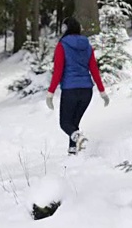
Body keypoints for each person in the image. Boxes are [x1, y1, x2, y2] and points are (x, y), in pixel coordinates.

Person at [46, 17, 110, 155]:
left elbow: (58, 71)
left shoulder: (62, 45)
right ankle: (72, 151)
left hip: (70, 90)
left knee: (65, 124)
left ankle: (78, 139)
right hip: (87, 91)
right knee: (74, 124)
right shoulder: (87, 45)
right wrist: (102, 91)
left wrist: (50, 93)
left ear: (65, 29)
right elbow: (94, 69)